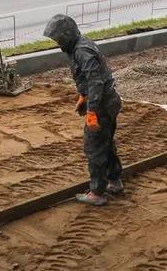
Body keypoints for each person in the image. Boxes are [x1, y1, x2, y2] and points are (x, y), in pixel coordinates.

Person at [43, 14, 122, 206]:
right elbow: (92, 78)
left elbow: (95, 81)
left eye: (57, 38)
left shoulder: (82, 51)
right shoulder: (79, 46)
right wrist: (83, 96)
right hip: (108, 100)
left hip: (102, 104)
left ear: (67, 35)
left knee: (94, 147)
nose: (56, 42)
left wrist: (92, 110)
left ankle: (97, 192)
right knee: (106, 143)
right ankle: (114, 180)